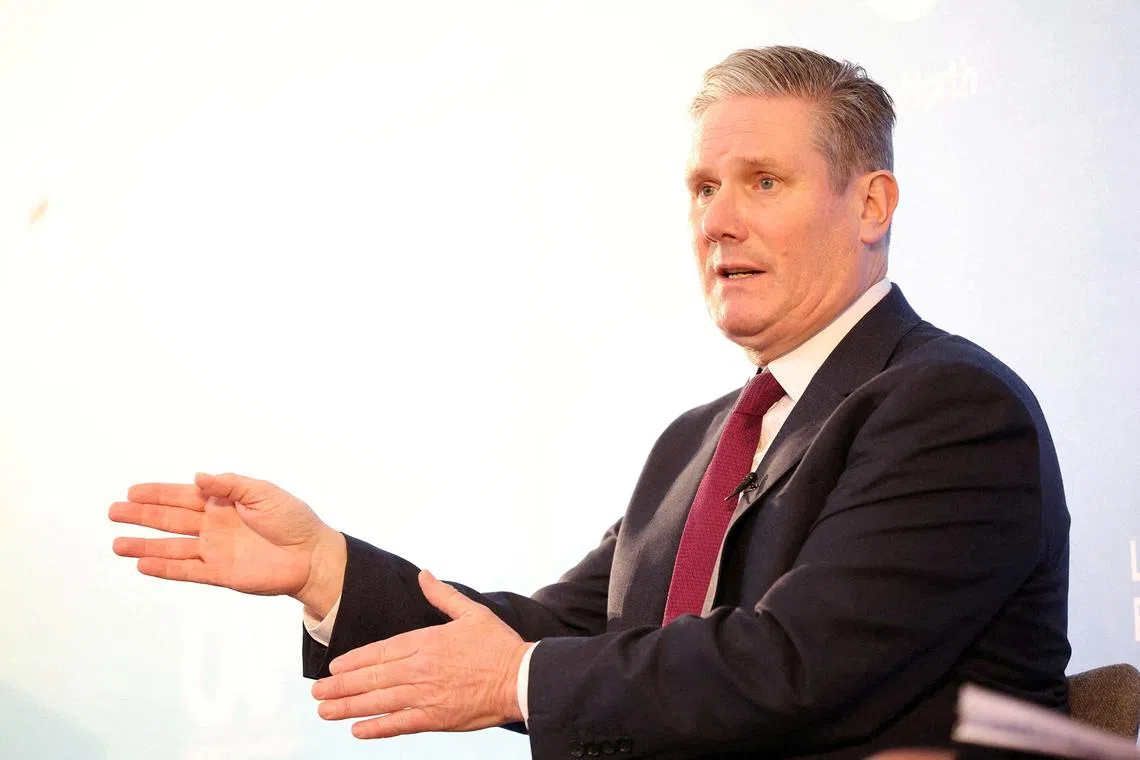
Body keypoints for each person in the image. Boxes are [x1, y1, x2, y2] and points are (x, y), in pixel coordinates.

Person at [109, 46, 1071, 759]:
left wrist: (516, 681)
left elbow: (798, 668)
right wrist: (325, 570)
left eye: (762, 183)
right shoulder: (698, 442)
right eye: (702, 188)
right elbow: (560, 634)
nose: (718, 220)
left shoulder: (948, 409)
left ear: (871, 206)